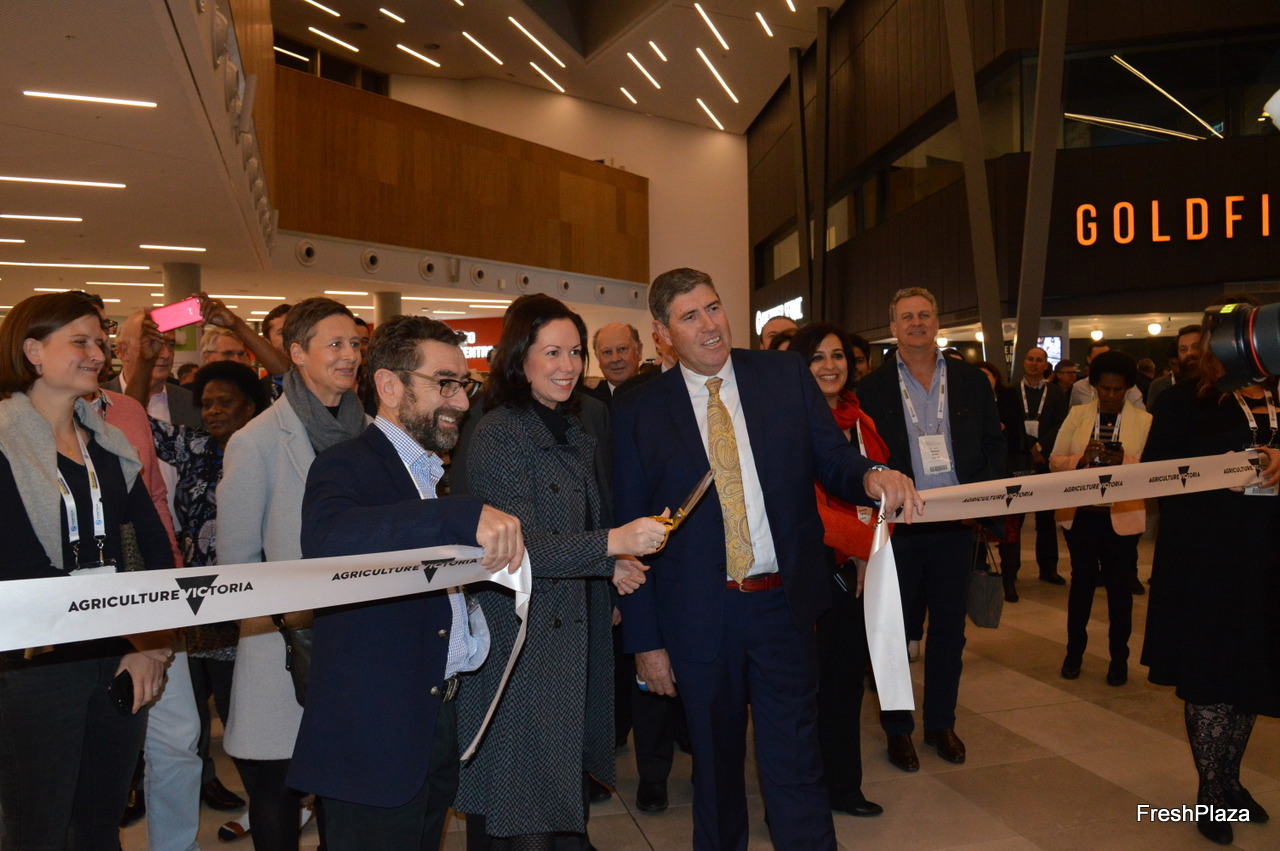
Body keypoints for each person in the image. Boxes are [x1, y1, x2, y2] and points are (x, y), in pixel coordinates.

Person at [612, 268, 921, 849]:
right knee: (715, 771)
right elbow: (630, 535)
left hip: (782, 605)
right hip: (699, 617)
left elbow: (830, 457)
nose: (710, 325)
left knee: (797, 762)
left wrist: (872, 475)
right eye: (689, 317)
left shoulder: (781, 376)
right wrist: (647, 643)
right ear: (662, 334)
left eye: (714, 307)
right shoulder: (637, 411)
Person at [291, 315, 524, 850]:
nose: (460, 401)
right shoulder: (346, 463)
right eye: (444, 383)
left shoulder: (430, 474)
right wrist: (458, 516)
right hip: (374, 736)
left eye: (463, 385)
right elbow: (327, 539)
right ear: (389, 385)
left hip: (433, 717)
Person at [456, 294, 665, 849]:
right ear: (519, 358)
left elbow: (571, 525)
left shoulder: (568, 427)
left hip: (570, 633)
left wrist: (610, 564)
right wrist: (613, 543)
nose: (568, 365)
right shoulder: (500, 432)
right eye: (552, 352)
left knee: (555, 794)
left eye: (575, 352)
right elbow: (517, 549)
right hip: (522, 643)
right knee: (523, 803)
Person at [0, 292, 176, 848]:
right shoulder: (3, 440)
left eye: (100, 341)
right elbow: (20, 564)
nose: (98, 354)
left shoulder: (107, 442)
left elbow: (153, 547)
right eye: (80, 341)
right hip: (35, 663)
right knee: (37, 828)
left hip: (117, 651)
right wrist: (127, 628)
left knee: (100, 822)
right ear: (33, 351)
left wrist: (150, 646)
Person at [218, 297, 368, 851]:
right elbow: (236, 562)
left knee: (345, 787)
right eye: (336, 344)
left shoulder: (371, 433)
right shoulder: (256, 440)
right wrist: (289, 615)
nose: (350, 355)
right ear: (297, 354)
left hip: (358, 633)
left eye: (355, 343)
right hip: (281, 642)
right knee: (277, 787)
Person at [1142, 307, 1280, 846]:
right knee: (1210, 667)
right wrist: (1219, 469)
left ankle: (1230, 780)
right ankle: (1212, 790)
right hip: (1207, 557)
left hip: (1268, 554)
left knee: (1251, 666)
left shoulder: (1277, 394)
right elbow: (1157, 471)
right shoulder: (1184, 399)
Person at [857, 287, 1005, 773]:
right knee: (894, 631)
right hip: (899, 527)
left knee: (948, 631)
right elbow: (861, 459)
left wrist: (979, 506)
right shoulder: (872, 388)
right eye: (907, 317)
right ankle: (897, 729)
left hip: (955, 524)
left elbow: (993, 447)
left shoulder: (970, 381)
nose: (916, 323)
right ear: (893, 328)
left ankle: (941, 723)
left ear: (937, 322)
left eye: (924, 314)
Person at [124, 336, 269, 818]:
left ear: (251, 407)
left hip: (249, 603)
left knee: (239, 709)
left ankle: (268, 804)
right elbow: (133, 419)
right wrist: (146, 361)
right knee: (188, 712)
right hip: (195, 601)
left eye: (224, 402)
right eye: (206, 403)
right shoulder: (196, 446)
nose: (212, 411)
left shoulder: (268, 449)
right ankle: (201, 786)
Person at [789, 322, 887, 819]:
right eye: (817, 357)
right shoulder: (787, 422)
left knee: (846, 685)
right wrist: (864, 547)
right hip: (809, 568)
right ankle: (801, 794)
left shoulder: (861, 421)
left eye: (838, 356)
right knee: (804, 691)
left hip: (859, 569)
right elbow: (803, 504)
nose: (830, 366)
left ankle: (845, 788)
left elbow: (885, 494)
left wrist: (875, 549)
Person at [1049, 350, 1152, 687]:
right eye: (1104, 388)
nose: (1110, 395)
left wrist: (1124, 461)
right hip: (1082, 516)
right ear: (1094, 387)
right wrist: (1081, 459)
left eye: (1117, 389)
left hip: (1121, 517)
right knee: (1081, 585)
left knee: (1120, 590)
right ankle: (1073, 654)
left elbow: (1153, 473)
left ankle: (1119, 660)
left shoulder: (1144, 421)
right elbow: (1054, 460)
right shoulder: (1078, 414)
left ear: (1128, 389)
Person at [1008, 347, 1069, 589]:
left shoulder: (1055, 393)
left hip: (1045, 460)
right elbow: (1009, 424)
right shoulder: (1012, 391)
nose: (1034, 363)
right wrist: (1028, 448)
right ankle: (1010, 570)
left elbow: (1061, 425)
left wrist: (1040, 447)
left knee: (1046, 518)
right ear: (1024, 362)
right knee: (1015, 519)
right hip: (1017, 461)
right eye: (1030, 359)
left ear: (1046, 365)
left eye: (1039, 360)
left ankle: (1048, 569)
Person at [1070, 341, 1145, 411]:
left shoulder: (1127, 387)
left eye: (1117, 390)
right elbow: (1074, 415)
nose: (1104, 361)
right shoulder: (1079, 387)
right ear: (1089, 359)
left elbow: (1140, 413)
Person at [1146, 324, 1201, 411]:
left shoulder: (1221, 390)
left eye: (1196, 347)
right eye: (1183, 349)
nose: (1189, 353)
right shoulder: (1168, 397)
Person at [585, 322, 643, 405]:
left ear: (639, 351)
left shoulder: (658, 395)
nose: (615, 359)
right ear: (598, 357)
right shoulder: (589, 405)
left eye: (622, 349)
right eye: (607, 352)